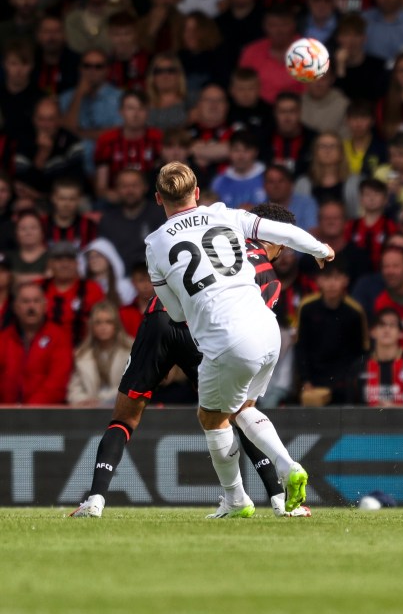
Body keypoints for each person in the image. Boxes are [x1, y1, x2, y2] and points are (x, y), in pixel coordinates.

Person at [71, 203, 313, 518]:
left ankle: (95, 501)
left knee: (125, 416)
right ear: (279, 240)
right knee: (239, 410)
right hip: (206, 331)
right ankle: (279, 501)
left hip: (161, 318)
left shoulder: (219, 231)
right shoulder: (266, 274)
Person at [143, 162, 333, 518]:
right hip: (267, 327)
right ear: (197, 193)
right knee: (244, 407)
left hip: (227, 339)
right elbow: (283, 232)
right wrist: (320, 249)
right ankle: (288, 465)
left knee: (211, 418)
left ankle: (236, 500)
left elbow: (176, 313)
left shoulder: (155, 245)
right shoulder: (225, 214)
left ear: (158, 199)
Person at [296, 259, 368, 406]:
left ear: (346, 280)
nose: (332, 283)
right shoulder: (307, 308)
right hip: (315, 381)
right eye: (327, 278)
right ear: (318, 281)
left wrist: (353, 381)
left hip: (345, 381)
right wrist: (306, 381)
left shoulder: (354, 312)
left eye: (336, 278)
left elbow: (361, 351)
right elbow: (301, 347)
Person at [0, 281, 73, 405]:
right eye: (25, 301)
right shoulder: (4, 338)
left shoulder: (59, 337)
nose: (31, 306)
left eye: (36, 301)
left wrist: (28, 410)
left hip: (46, 415)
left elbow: (57, 384)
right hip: (6, 414)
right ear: (15, 307)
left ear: (45, 306)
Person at [93, 89, 164, 201]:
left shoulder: (158, 138)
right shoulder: (107, 140)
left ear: (148, 112)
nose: (135, 114)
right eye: (130, 108)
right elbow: (101, 188)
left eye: (141, 108)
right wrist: (115, 197)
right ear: (121, 111)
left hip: (151, 199)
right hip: (116, 200)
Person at [67, 300, 133, 407]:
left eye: (108, 322)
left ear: (116, 325)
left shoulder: (131, 350)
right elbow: (74, 389)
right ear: (92, 326)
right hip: (89, 413)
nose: (103, 327)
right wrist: (84, 400)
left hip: (122, 410)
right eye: (98, 323)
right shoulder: (82, 354)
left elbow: (130, 386)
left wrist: (100, 400)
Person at [351, 307, 403, 406]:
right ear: (373, 332)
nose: (387, 329)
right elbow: (349, 408)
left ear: (401, 333)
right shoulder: (359, 366)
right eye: (382, 325)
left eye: (392, 325)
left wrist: (394, 408)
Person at [43, 241, 106, 347]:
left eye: (70, 259)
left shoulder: (92, 289)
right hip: (44, 349)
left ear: (77, 263)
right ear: (50, 263)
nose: (65, 265)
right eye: (59, 260)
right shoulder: (38, 287)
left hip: (81, 350)